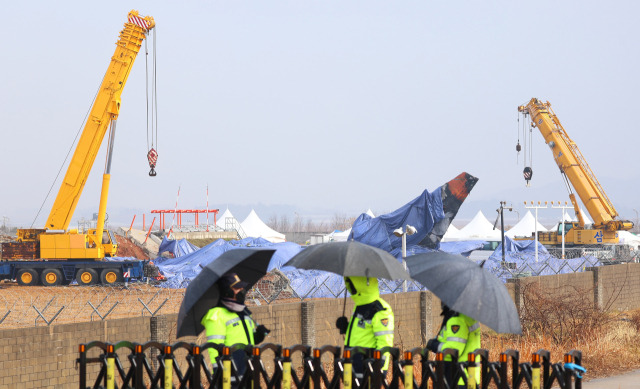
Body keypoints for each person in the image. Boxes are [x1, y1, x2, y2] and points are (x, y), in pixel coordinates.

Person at [202, 273, 270, 377]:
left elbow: (248, 339)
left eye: (242, 287)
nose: (242, 290)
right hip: (229, 371)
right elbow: (214, 346)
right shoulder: (217, 315)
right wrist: (218, 369)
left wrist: (259, 335)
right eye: (237, 288)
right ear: (227, 291)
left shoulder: (244, 312)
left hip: (248, 367)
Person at [335, 276, 394, 379]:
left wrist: (378, 365)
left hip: (370, 366)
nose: (349, 288)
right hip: (354, 362)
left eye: (351, 284)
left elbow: (385, 341)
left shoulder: (380, 310)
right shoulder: (360, 306)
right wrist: (347, 327)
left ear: (360, 283)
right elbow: (362, 333)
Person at [426, 303, 481, 389]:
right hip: (468, 376)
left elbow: (452, 351)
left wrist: (435, 345)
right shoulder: (469, 316)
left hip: (457, 377)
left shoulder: (457, 319)